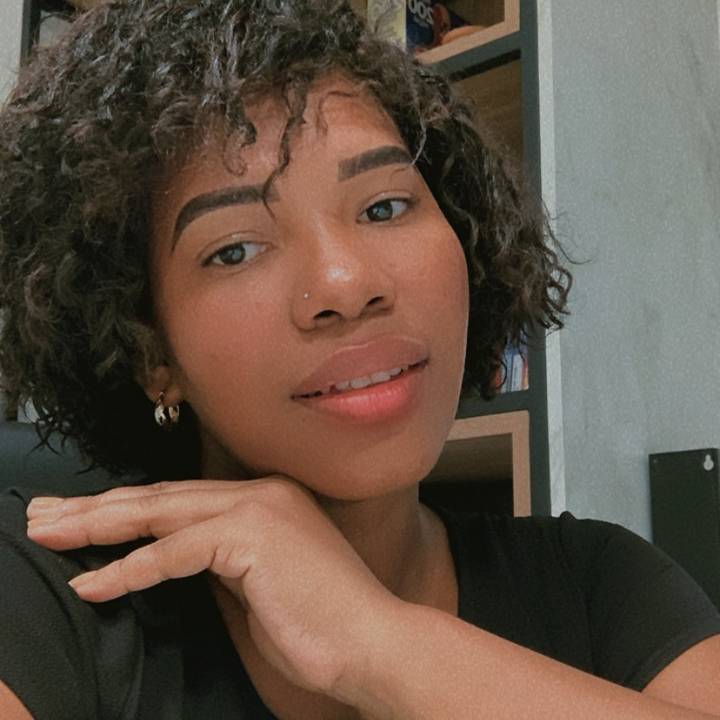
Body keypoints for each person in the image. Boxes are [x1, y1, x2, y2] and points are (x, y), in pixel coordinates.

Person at [0, 1, 718, 718]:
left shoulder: (600, 587)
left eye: (383, 208)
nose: (347, 285)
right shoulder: (45, 596)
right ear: (150, 351)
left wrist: (380, 644)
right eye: (235, 249)